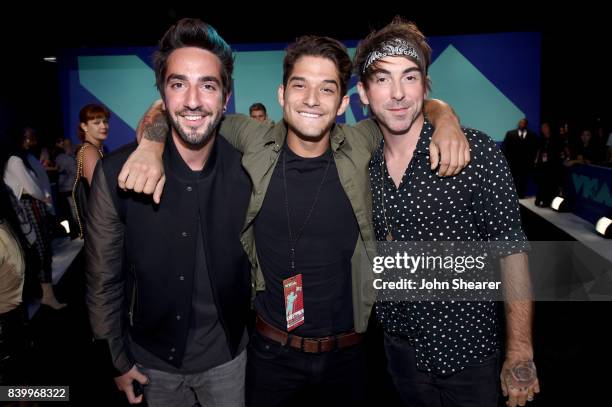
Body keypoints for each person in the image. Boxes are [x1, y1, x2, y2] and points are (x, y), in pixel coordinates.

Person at [118, 30, 469, 405]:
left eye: (327, 89)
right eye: (300, 86)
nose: (312, 100)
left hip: (348, 355)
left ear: (342, 103)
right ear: (282, 95)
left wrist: (446, 118)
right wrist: (152, 143)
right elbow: (182, 108)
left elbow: (413, 106)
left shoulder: (361, 141)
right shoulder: (253, 138)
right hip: (271, 354)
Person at [353, 17, 539, 407]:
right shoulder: (360, 162)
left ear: (425, 84)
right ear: (364, 94)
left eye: (410, 77)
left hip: (471, 356)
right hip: (399, 352)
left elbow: (513, 253)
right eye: (383, 79)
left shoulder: (478, 152)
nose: (399, 93)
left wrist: (520, 351)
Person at [85, 19, 251, 406]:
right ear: (162, 94)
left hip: (229, 360)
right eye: (179, 84)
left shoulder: (250, 169)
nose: (193, 100)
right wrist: (116, 359)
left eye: (208, 85)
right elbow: (102, 279)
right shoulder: (116, 174)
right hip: (150, 362)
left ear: (225, 97)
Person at [3, 131, 66, 310]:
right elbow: (31, 187)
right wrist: (44, 198)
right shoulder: (16, 160)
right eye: (27, 137)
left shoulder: (22, 158)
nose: (31, 140)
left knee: (40, 252)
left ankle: (45, 296)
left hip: (30, 209)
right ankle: (47, 296)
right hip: (29, 210)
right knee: (41, 252)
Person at [72, 103, 110, 238]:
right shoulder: (89, 151)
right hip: (101, 226)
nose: (103, 126)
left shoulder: (95, 150)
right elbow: (100, 192)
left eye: (105, 121)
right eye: (96, 122)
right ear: (84, 126)